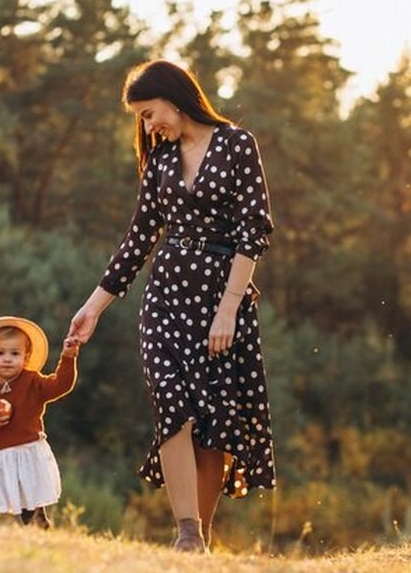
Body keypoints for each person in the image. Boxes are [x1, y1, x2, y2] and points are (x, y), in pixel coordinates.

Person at [67, 59, 276, 552]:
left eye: (148, 111)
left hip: (222, 296)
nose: (147, 124)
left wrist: (229, 308)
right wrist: (94, 306)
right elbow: (139, 238)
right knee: (171, 403)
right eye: (140, 117)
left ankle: (198, 540)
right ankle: (186, 532)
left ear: (176, 97)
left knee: (213, 418)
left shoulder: (237, 145)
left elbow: (255, 230)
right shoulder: (160, 161)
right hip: (166, 296)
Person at [0, 317, 79, 527]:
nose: (7, 359)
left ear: (26, 357)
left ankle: (39, 532)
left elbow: (61, 385)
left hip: (27, 455)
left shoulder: (33, 383)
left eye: (15, 353)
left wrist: (68, 357)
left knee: (32, 509)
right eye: (0, 353)